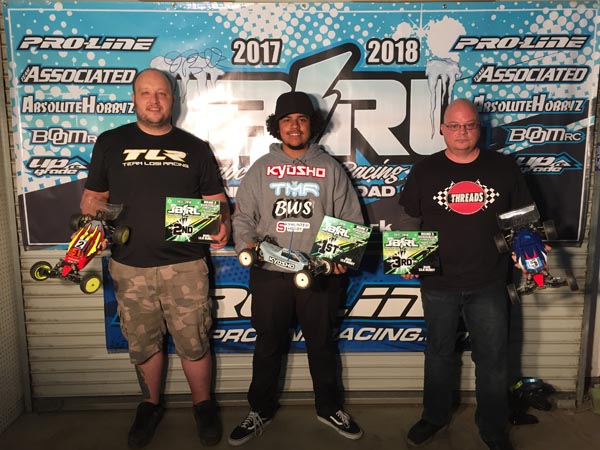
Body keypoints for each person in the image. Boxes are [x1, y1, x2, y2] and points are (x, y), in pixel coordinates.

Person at [81, 68, 230, 449]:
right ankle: (150, 405)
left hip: (186, 266)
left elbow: (216, 203)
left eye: (161, 93)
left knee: (194, 341)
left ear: (173, 99)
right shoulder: (110, 143)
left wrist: (221, 225)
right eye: (146, 93)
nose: (154, 100)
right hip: (129, 266)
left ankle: (203, 406)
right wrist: (96, 223)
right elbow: (93, 198)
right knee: (143, 344)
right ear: (134, 98)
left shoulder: (195, 148)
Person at [229, 91, 364, 445]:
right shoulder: (261, 168)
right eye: (287, 120)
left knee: (321, 345)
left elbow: (350, 218)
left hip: (318, 275)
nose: (294, 126)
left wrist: (340, 257)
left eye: (302, 119)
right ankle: (260, 410)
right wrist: (246, 246)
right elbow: (242, 217)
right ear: (277, 126)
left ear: (312, 125)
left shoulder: (330, 168)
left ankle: (329, 407)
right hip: (270, 275)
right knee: (268, 345)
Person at [398, 99, 532, 450]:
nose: (462, 132)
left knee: (493, 359)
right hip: (438, 282)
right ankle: (434, 416)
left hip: (490, 281)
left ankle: (493, 427)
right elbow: (409, 217)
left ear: (479, 128)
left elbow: (522, 219)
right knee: (438, 353)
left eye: (470, 125)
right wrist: (407, 258)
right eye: (455, 126)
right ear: (442, 129)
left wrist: (528, 247)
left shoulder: (503, 168)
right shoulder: (425, 170)